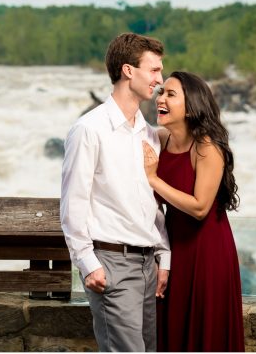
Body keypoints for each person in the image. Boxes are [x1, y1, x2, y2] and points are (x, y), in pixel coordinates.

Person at [61, 32, 172, 351]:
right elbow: (73, 203)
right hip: (111, 262)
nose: (159, 79)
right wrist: (86, 262)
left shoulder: (149, 134)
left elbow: (151, 204)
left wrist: (163, 256)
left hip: (147, 265)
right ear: (128, 71)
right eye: (153, 70)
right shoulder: (88, 129)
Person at [142, 71, 244, 351]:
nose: (160, 98)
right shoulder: (161, 140)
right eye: (161, 92)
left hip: (207, 251)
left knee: (204, 328)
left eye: (170, 94)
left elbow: (200, 207)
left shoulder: (207, 147)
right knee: (172, 326)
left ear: (192, 105)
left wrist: (154, 180)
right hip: (173, 247)